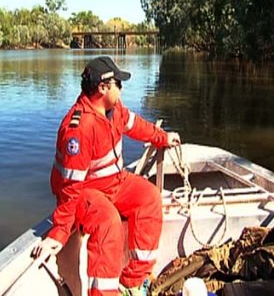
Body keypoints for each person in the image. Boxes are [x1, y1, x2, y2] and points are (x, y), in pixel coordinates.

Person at [32, 56, 181, 296]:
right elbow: (70, 187)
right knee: (108, 222)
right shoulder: (79, 128)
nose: (121, 89)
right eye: (117, 84)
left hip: (114, 183)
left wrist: (162, 137)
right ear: (103, 88)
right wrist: (59, 233)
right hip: (84, 192)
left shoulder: (114, 110)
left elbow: (136, 125)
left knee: (150, 198)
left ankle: (132, 282)